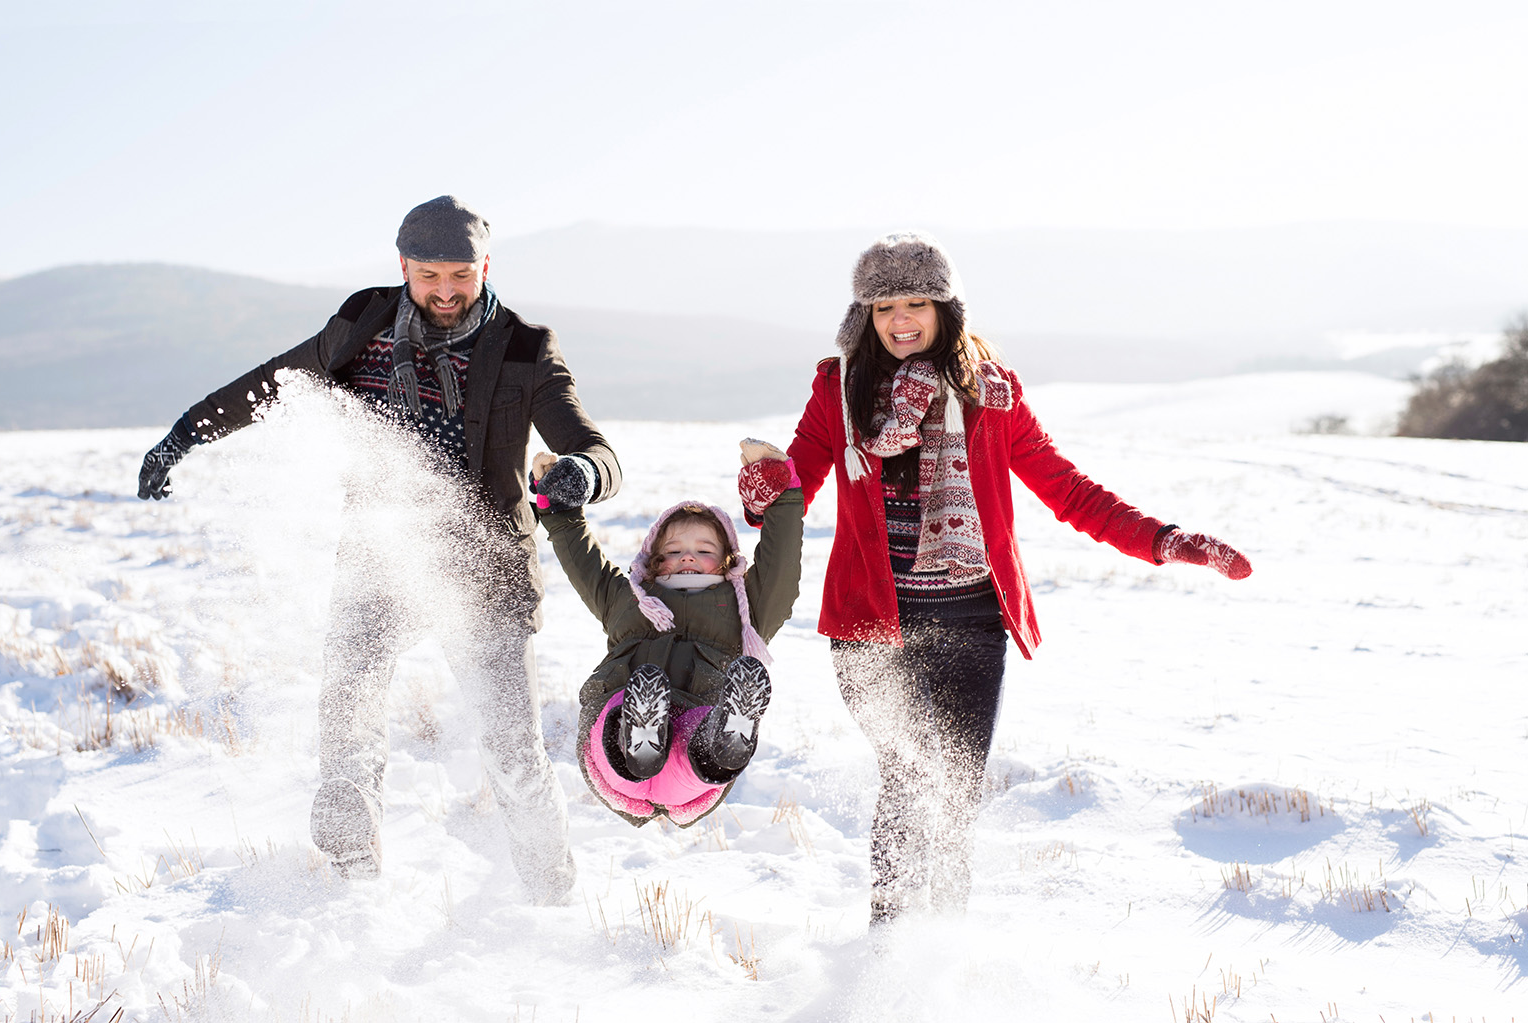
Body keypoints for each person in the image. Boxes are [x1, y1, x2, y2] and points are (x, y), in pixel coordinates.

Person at [134, 196, 621, 900]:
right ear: (404, 268)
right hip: (379, 559)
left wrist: (584, 472)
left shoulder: (523, 347)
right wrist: (186, 431)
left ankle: (550, 894)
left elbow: (592, 446)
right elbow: (278, 382)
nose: (447, 291)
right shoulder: (364, 322)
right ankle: (350, 884)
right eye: (430, 276)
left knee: (513, 751)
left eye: (461, 274)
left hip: (481, 571)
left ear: (486, 265)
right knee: (345, 728)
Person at [766, 231, 1252, 929]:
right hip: (872, 627)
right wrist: (757, 498)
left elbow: (1067, 490)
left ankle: (944, 949)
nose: (899, 318)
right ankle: (887, 948)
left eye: (915, 301)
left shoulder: (992, 394)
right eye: (882, 307)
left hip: (970, 623)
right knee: (907, 780)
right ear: (863, 318)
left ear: (945, 306)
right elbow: (792, 483)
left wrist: (1164, 540)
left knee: (955, 793)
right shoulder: (840, 393)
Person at [531, 440, 802, 827]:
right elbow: (582, 559)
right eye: (674, 550)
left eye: (704, 550)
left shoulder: (747, 610)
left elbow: (780, 571)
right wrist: (558, 508)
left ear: (728, 562)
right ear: (654, 559)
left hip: (692, 770)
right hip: (614, 753)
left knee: (697, 734)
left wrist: (782, 496)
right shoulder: (627, 598)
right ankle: (640, 734)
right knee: (620, 712)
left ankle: (725, 740)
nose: (688, 556)